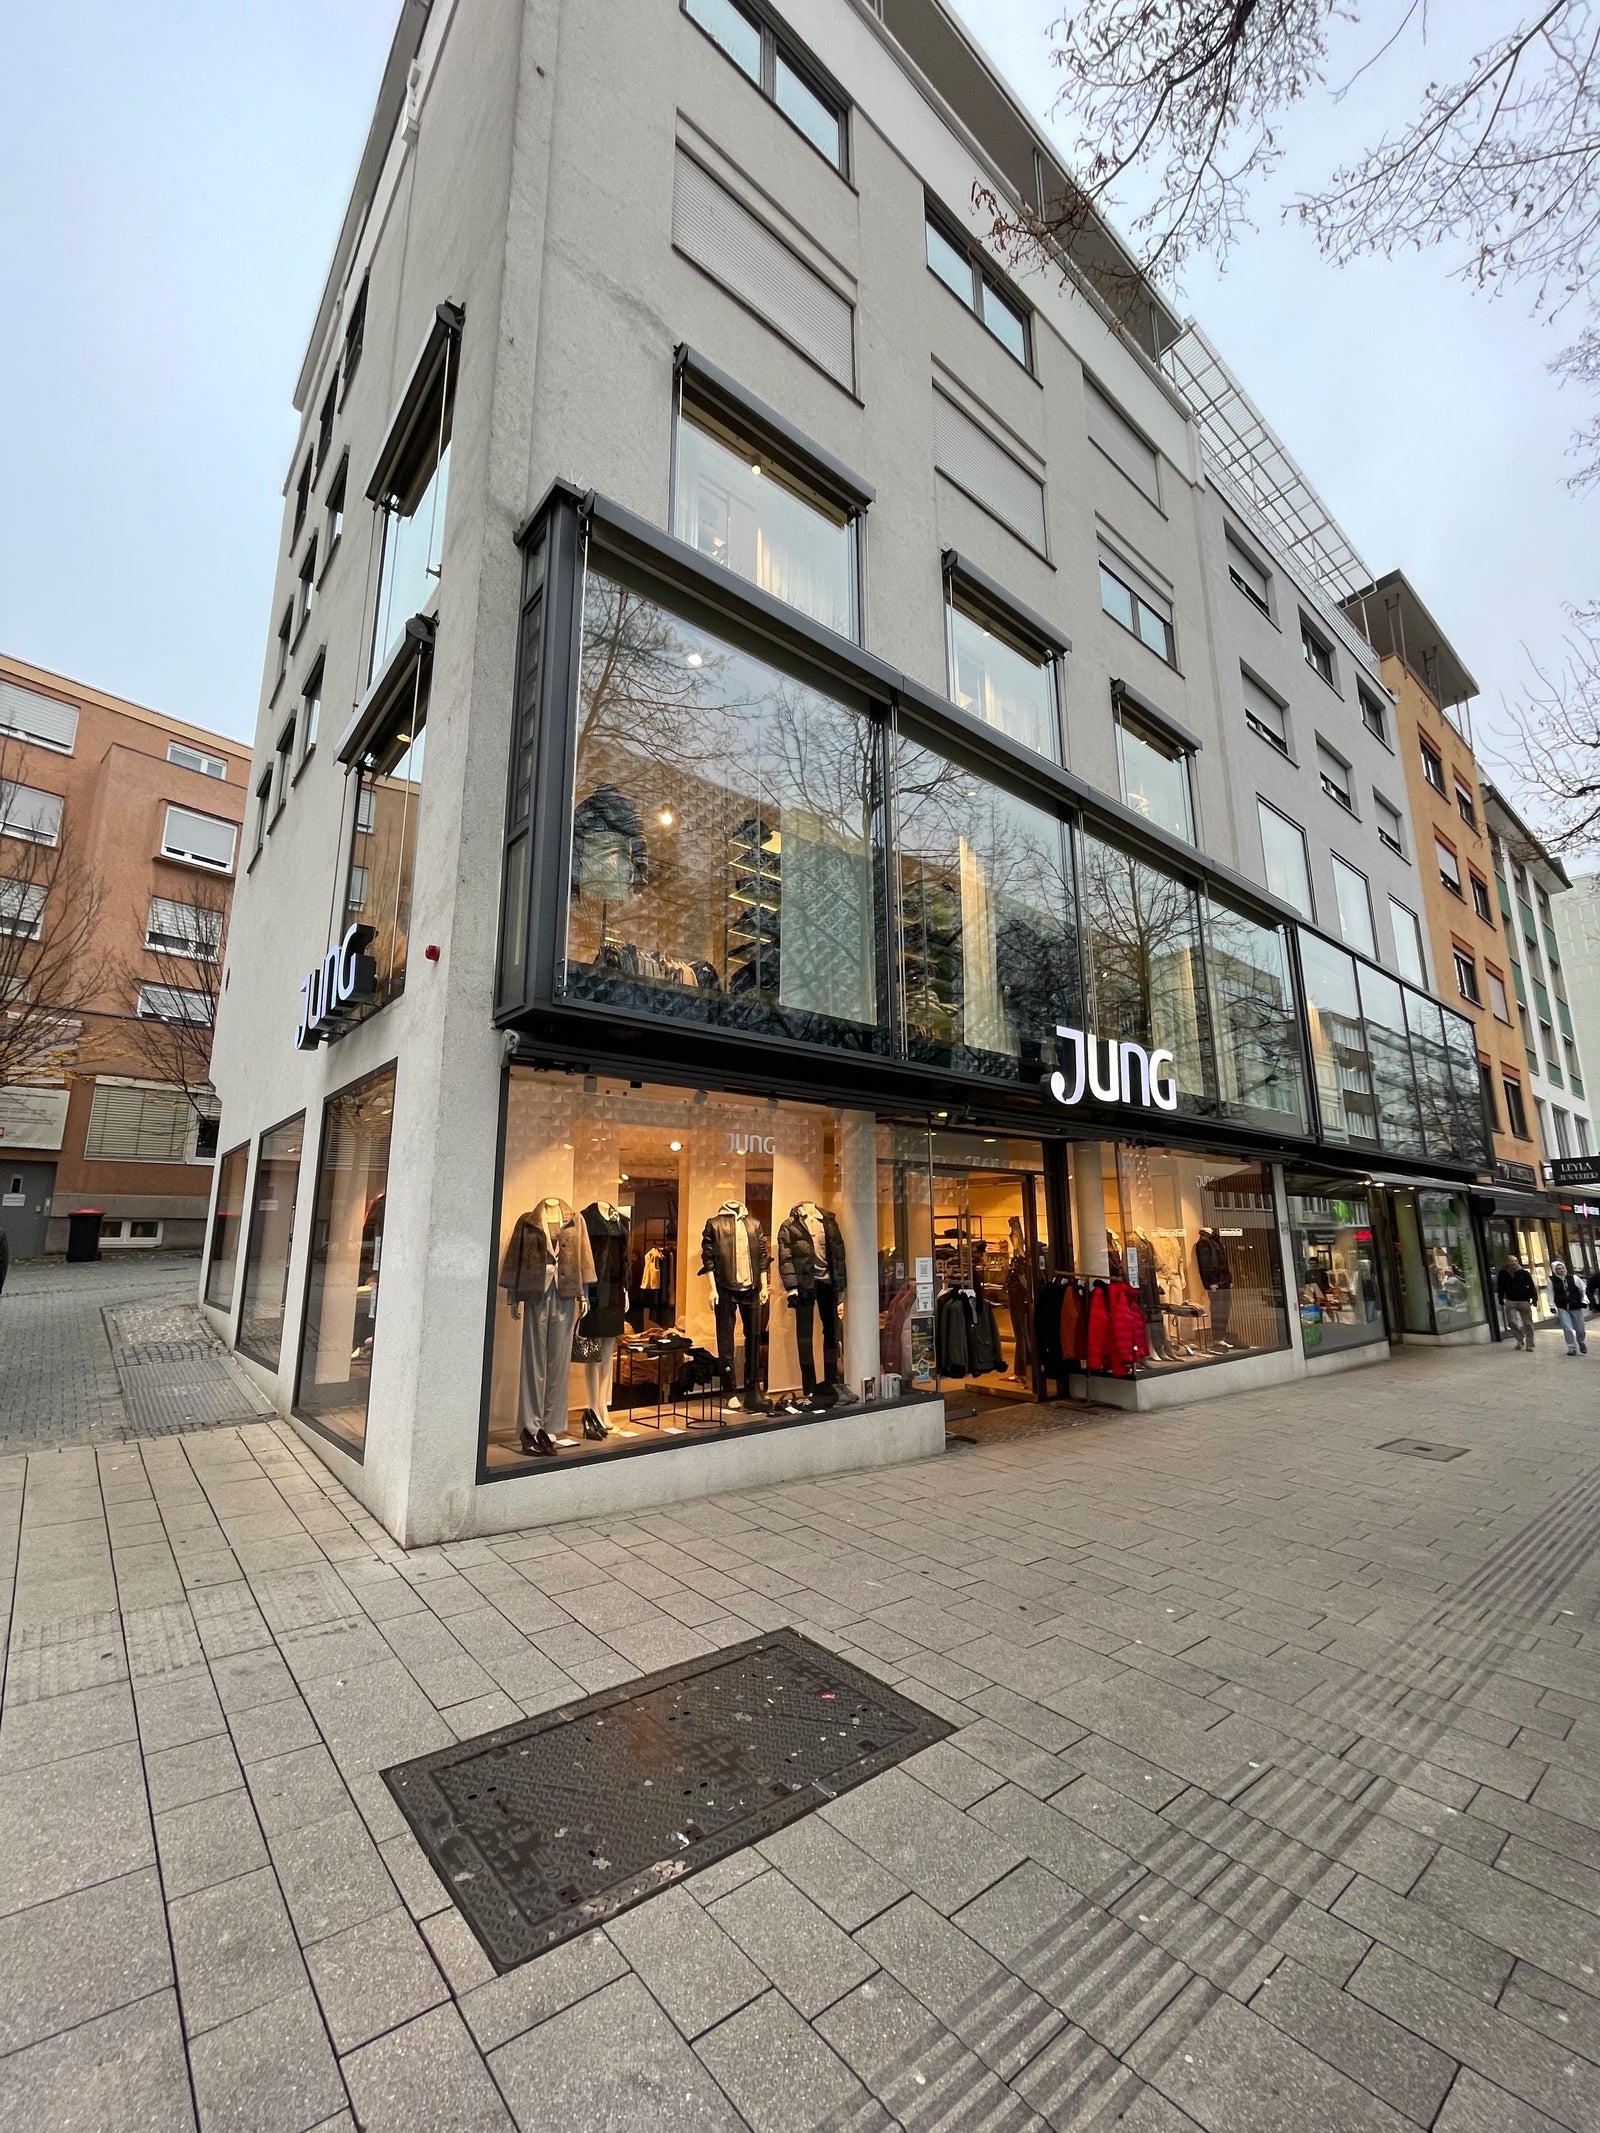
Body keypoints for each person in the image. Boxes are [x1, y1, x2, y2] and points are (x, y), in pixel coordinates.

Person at [1496, 1255, 1537, 1351]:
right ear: (1507, 1262)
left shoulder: (1524, 1273)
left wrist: (1534, 1299)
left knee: (1528, 1323)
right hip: (1511, 1300)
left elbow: (1531, 1286)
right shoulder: (1503, 1273)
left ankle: (1530, 1344)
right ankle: (1520, 1339)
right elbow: (1500, 1287)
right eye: (1512, 1261)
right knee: (1511, 1322)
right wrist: (1500, 1298)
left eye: (1516, 1261)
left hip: (1524, 1300)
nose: (1514, 1263)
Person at [1551, 1261, 1589, 1356]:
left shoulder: (1574, 1278)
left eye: (1562, 1268)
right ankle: (1571, 1347)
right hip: (1562, 1307)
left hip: (1575, 1306)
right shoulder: (1551, 1280)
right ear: (1554, 1270)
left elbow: (1584, 1289)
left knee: (1580, 1328)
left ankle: (1581, 1342)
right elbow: (1550, 1293)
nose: (1561, 1270)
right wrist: (1551, 1305)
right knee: (1567, 1328)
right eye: (1558, 1269)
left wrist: (1584, 1300)